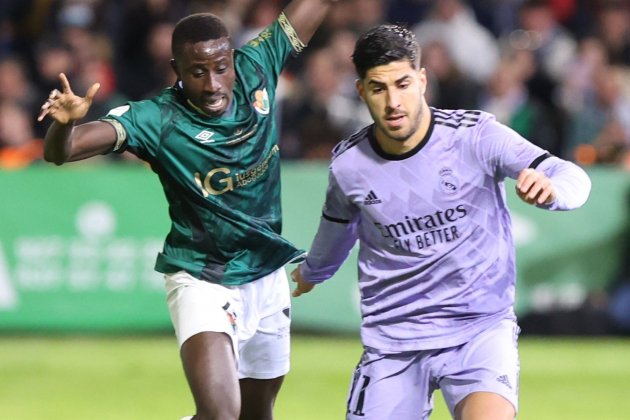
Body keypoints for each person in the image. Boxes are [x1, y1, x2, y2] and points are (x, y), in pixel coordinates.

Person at [37, 1, 338, 419]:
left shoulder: (259, 66)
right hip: (203, 277)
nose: (213, 83)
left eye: (220, 68)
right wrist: (65, 123)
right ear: (177, 69)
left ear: (233, 60)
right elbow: (60, 153)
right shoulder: (157, 119)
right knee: (220, 413)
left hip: (266, 276)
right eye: (197, 72)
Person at [291, 24, 591, 420]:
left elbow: (574, 177)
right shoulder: (349, 165)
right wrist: (305, 276)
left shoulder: (475, 136)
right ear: (361, 91)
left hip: (479, 331)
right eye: (379, 88)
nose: (393, 101)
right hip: (393, 343)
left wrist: (553, 192)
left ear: (422, 80)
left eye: (402, 84)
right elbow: (335, 234)